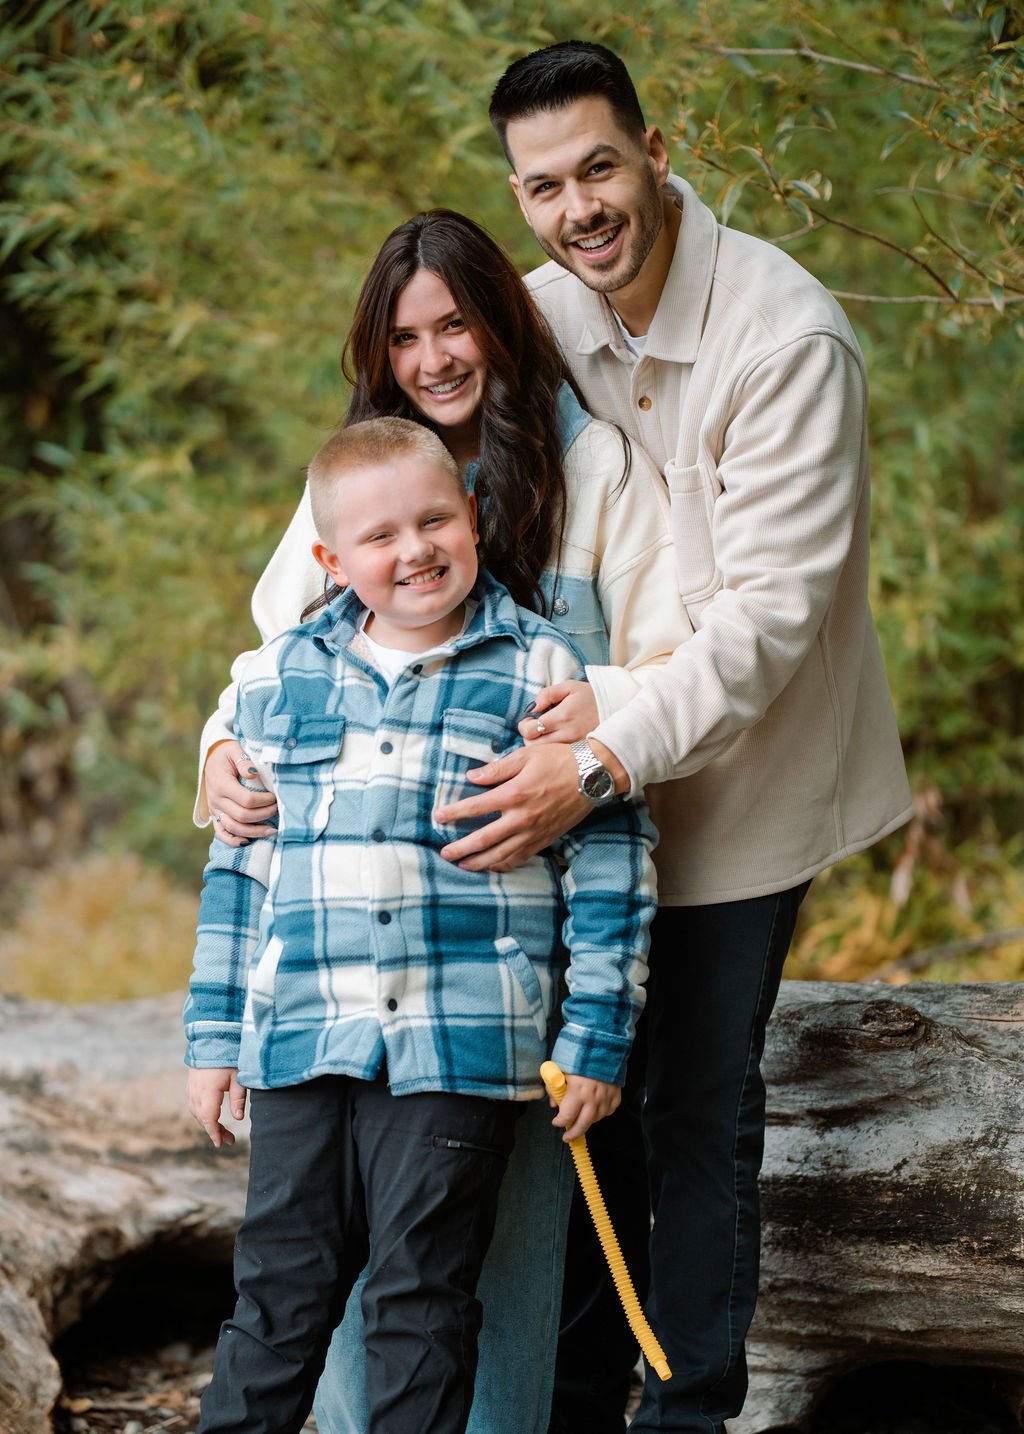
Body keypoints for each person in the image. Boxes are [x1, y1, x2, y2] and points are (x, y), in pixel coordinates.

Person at [407, 40, 911, 1434]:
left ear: (656, 149)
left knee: (692, 1099)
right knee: (585, 1092)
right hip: (582, 768)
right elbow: (400, 462)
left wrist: (600, 755)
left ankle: (691, 1408)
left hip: (738, 778)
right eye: (544, 185)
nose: (578, 208)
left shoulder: (784, 335)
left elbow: (767, 625)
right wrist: (245, 701)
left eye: (598, 167)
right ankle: (569, 1403)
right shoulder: (546, 311)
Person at [195, 209, 687, 1434]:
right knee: (294, 1288)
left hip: (486, 995)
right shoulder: (360, 487)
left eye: (454, 323)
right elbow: (265, 688)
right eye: (405, 335)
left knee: (460, 1279)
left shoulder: (590, 488)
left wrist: (598, 1019)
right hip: (321, 1016)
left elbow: (656, 705)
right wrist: (217, 748)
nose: (432, 356)